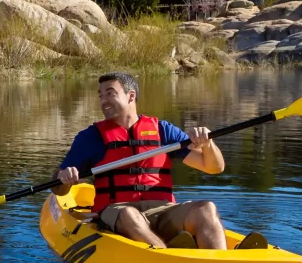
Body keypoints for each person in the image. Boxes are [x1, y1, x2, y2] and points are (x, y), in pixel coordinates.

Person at [53, 71, 267, 250]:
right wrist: (64, 179)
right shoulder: (91, 137)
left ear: (130, 96)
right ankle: (165, 256)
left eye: (110, 93)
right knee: (129, 215)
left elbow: (214, 167)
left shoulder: (162, 131)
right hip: (117, 211)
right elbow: (59, 190)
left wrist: (208, 144)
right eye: (100, 95)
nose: (103, 101)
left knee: (206, 208)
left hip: (162, 210)